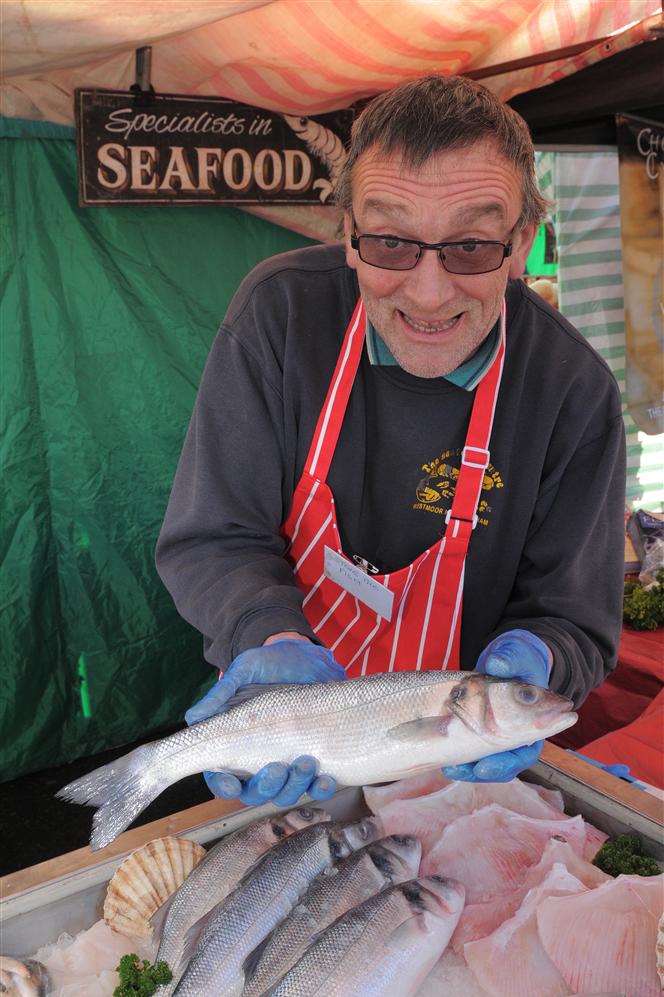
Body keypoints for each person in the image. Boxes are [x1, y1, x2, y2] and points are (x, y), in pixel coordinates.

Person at [156, 75, 626, 808]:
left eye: (471, 245)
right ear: (346, 234)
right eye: (390, 241)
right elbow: (214, 537)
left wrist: (542, 656)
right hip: (285, 742)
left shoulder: (573, 390)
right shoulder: (279, 318)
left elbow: (574, 620)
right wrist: (265, 633)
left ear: (522, 243)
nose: (429, 293)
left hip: (460, 768)